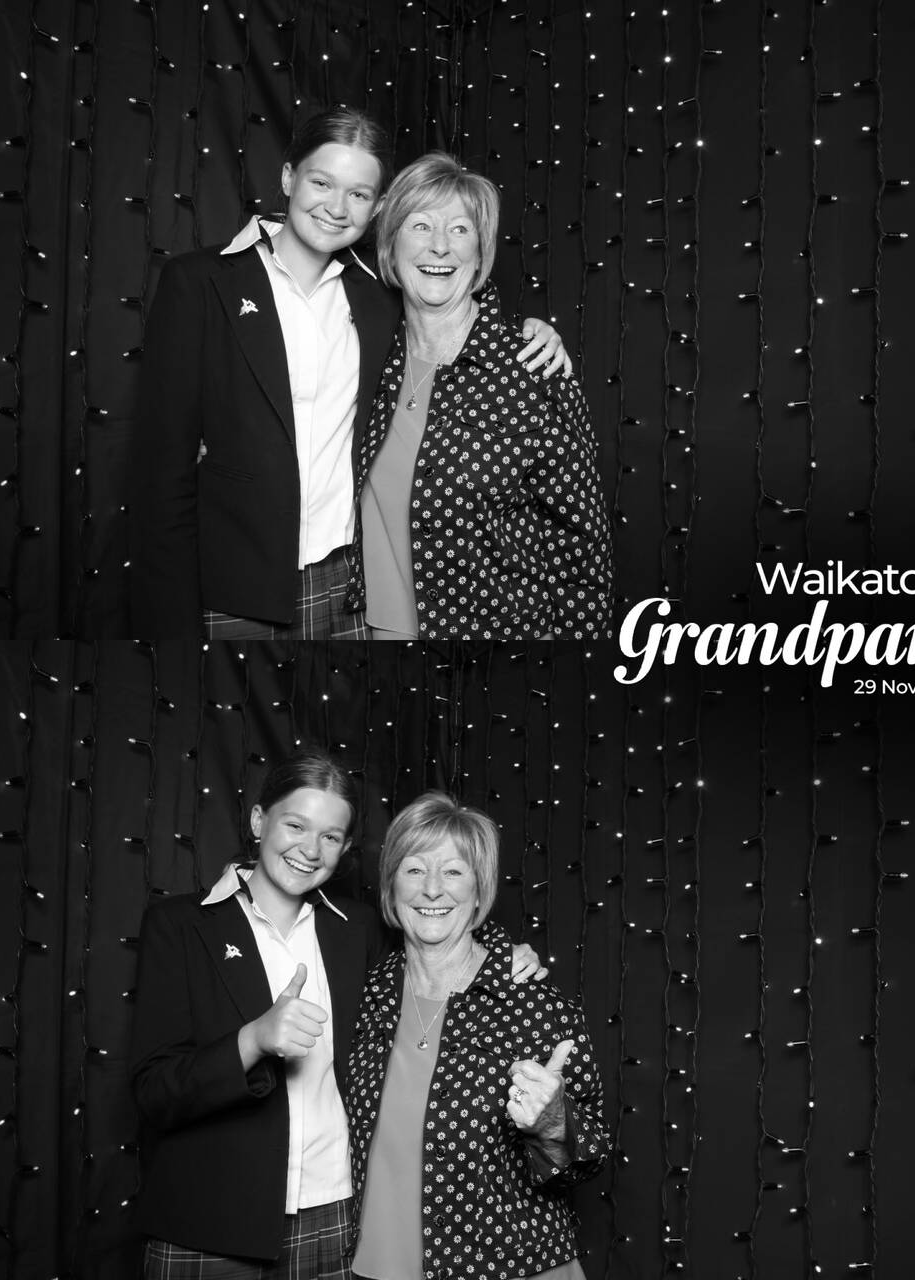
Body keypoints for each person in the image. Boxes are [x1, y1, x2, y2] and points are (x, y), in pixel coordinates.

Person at [129, 108, 572, 639]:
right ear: (289, 178)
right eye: (321, 183)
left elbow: (449, 294)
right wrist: (170, 617)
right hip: (232, 588)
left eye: (359, 194)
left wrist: (529, 332)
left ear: (378, 206)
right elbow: (161, 471)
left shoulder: (377, 295)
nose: (337, 208)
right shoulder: (200, 282)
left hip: (348, 589)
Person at [129, 747, 548, 1278]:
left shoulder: (359, 930)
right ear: (258, 821)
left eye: (330, 836)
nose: (310, 849)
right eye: (295, 825)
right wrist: (251, 1041)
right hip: (207, 1222)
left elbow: (437, 929)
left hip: (333, 1216)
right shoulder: (180, 926)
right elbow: (153, 1092)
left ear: (346, 847)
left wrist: (504, 954)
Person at [343, 792, 610, 1279]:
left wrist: (554, 1123)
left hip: (512, 1266)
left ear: (479, 889)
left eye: (453, 871)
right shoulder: (363, 994)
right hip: (378, 1266)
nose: (432, 889)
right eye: (414, 869)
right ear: (391, 885)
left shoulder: (534, 1002)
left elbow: (589, 1158)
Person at [348, 153, 613, 639]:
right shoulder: (364, 350)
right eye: (420, 225)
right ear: (390, 243)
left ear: (480, 251)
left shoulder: (533, 366)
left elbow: (583, 541)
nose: (440, 246)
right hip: (374, 633)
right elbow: (310, 231)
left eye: (460, 229)